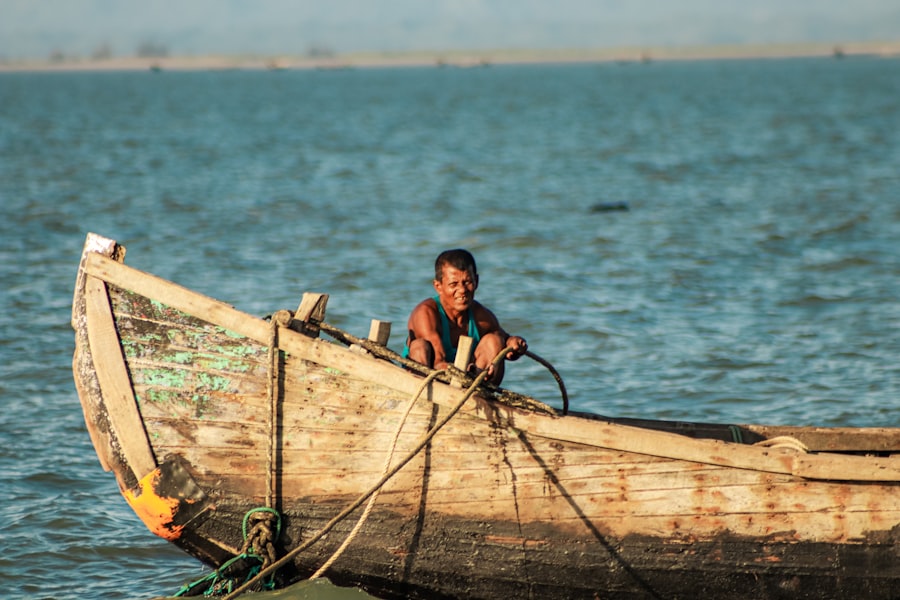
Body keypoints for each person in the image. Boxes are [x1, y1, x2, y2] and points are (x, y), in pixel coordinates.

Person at [402, 249, 527, 384]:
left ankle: (482, 393)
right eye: (453, 284)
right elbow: (438, 362)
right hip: (431, 382)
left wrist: (514, 344)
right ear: (438, 286)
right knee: (420, 346)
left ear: (476, 281)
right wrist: (463, 373)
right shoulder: (426, 313)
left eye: (467, 282)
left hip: (470, 386)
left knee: (494, 340)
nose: (462, 290)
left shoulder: (481, 316)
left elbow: (506, 344)